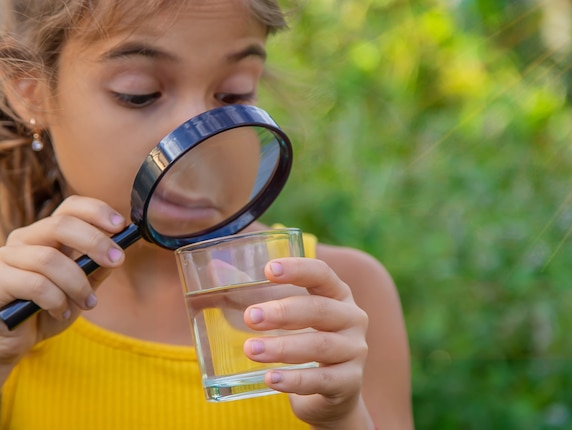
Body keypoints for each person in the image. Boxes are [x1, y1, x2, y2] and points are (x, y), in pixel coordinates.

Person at [0, 0, 413, 429]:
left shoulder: (342, 296)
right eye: (139, 93)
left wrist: (342, 417)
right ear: (29, 88)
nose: (199, 141)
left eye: (233, 94)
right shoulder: (9, 303)